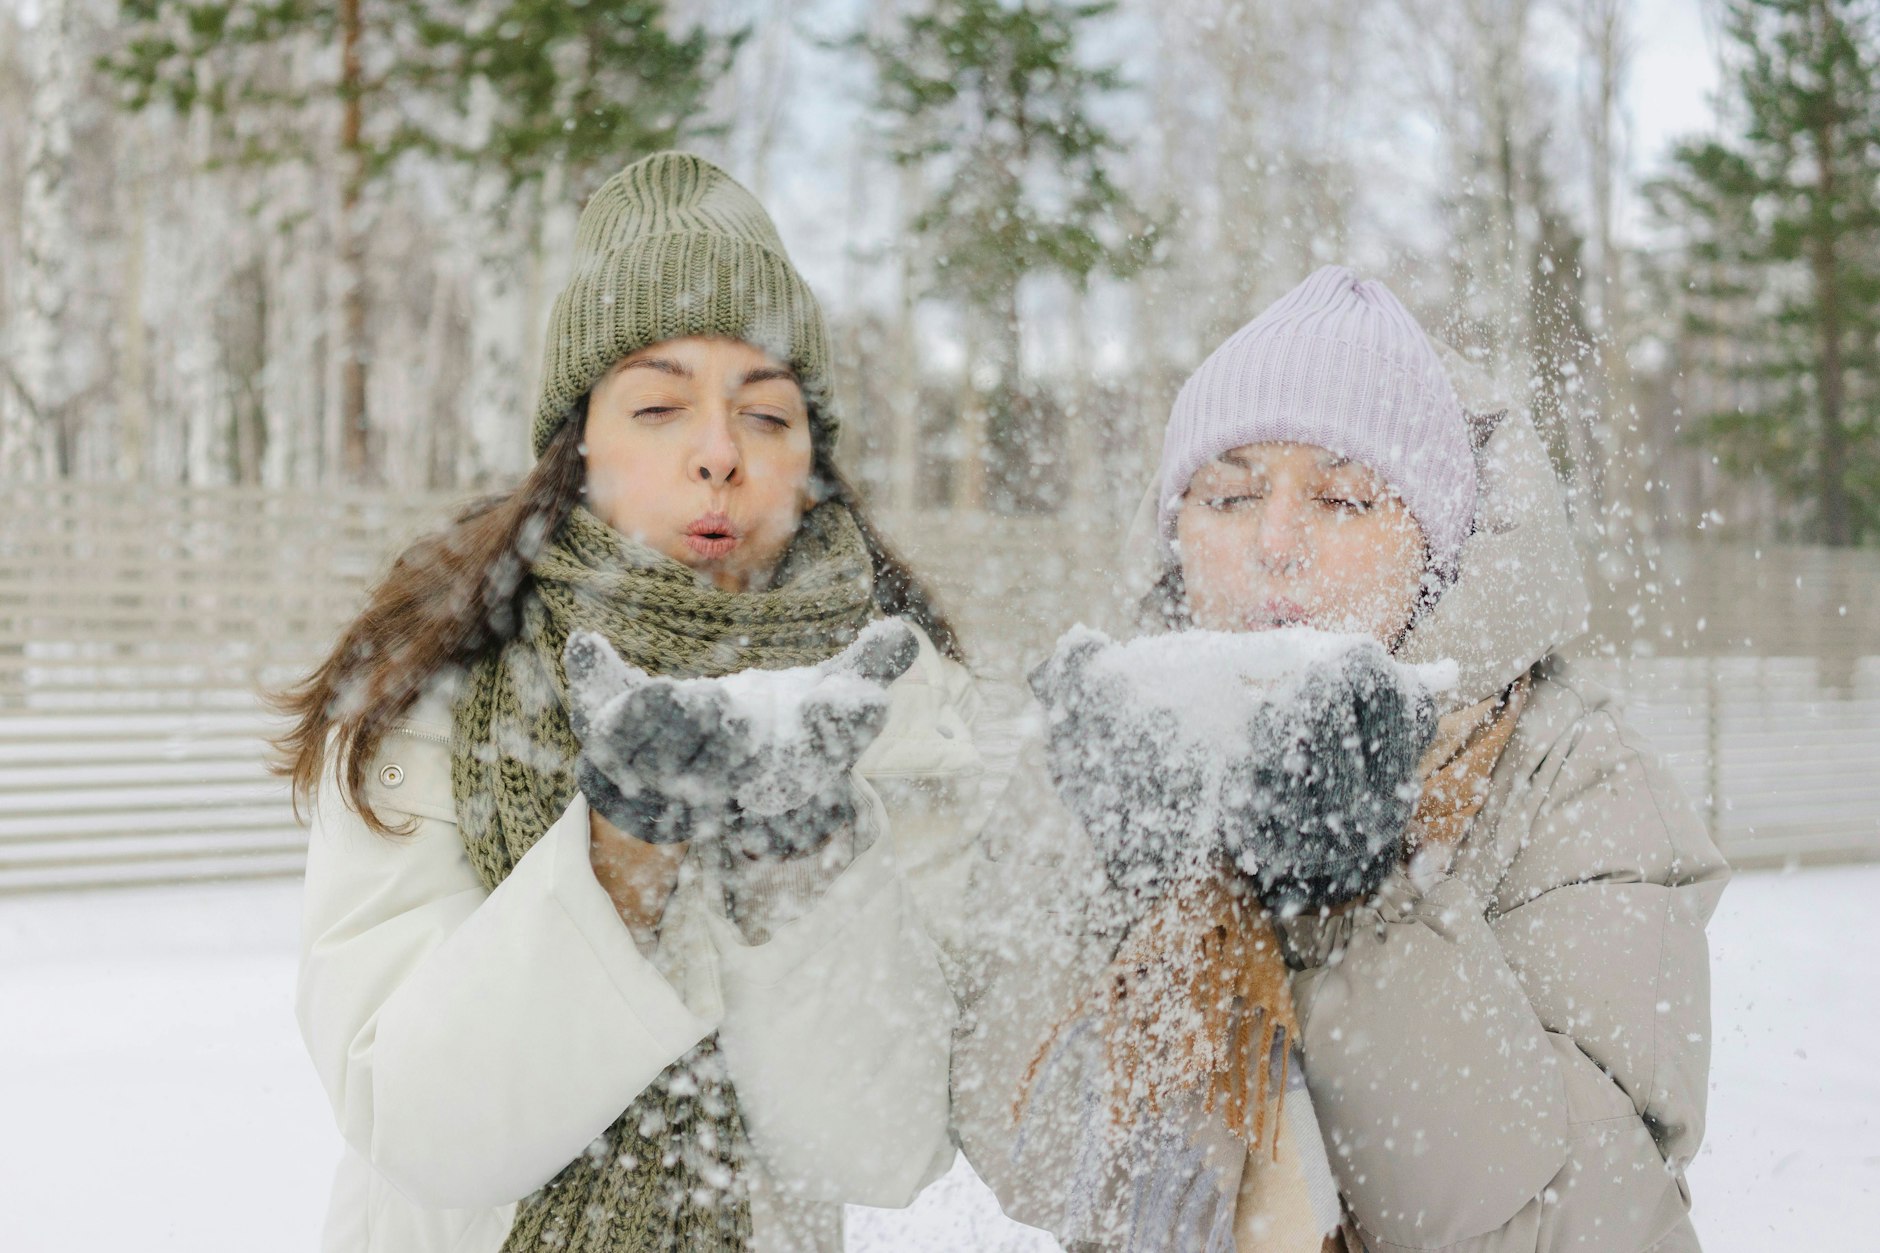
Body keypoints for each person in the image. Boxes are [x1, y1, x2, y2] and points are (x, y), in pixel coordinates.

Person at [275, 151, 986, 1253]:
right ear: (581, 445)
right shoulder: (436, 681)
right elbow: (414, 1120)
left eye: (763, 414)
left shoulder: (896, 702)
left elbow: (880, 1148)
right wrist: (616, 856)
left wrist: (801, 857)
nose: (716, 455)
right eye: (658, 405)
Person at [984, 265, 1729, 1252]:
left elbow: (1597, 1220)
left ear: (1439, 546)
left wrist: (1361, 899)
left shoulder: (1576, 777)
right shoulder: (1106, 745)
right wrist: (1134, 872)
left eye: (1340, 499)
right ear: (1172, 533)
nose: (1275, 542)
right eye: (1229, 493)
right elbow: (1021, 1153)